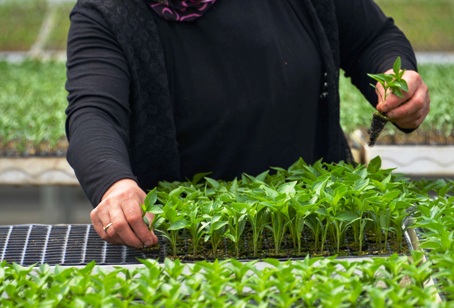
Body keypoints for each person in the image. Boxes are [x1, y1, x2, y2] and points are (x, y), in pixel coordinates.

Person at [65, 0, 430, 248]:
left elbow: (372, 38)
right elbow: (94, 112)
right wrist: (115, 184)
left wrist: (395, 78)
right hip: (185, 239)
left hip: (324, 225)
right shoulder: (109, 12)